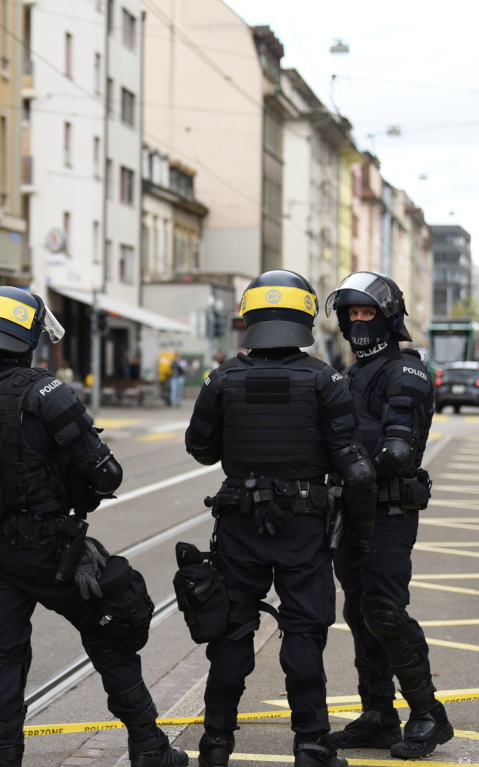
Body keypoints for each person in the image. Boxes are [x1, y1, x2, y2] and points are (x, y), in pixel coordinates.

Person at [0, 286, 187, 767]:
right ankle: (148, 746)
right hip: (50, 551)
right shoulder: (46, 393)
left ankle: (4, 760)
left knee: (2, 659)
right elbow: (107, 474)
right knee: (112, 627)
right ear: (27, 338)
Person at [183, 270, 377, 767]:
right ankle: (311, 745)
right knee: (304, 634)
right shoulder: (324, 380)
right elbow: (351, 466)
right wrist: (362, 533)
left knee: (231, 633)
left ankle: (215, 744)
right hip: (304, 526)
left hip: (239, 525)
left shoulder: (223, 377)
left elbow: (200, 449)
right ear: (304, 315)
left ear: (251, 317)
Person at [322, 272, 452, 759]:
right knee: (359, 613)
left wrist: (351, 470)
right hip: (348, 513)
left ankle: (427, 714)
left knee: (385, 611)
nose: (358, 323)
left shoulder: (406, 371)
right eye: (351, 314)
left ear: (388, 316)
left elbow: (396, 451)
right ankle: (378, 714)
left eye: (366, 313)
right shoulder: (351, 374)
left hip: (389, 509)